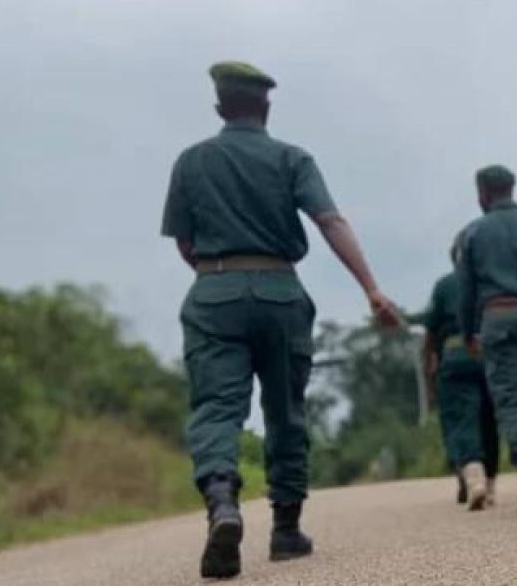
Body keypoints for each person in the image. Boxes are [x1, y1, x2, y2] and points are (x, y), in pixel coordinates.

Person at [161, 61, 400, 579]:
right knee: (285, 411)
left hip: (214, 289)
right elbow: (329, 220)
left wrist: (218, 274)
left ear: (220, 107)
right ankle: (286, 531)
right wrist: (372, 289)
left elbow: (184, 241)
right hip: (280, 291)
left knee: (217, 409)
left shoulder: (191, 161)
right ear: (266, 107)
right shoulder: (292, 158)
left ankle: (222, 501)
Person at [456, 165, 517, 517]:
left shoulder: (474, 232)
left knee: (512, 399)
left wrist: (468, 332)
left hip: (497, 318)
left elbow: (466, 290)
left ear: (482, 193)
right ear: (512, 188)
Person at [422, 235, 501, 512]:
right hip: (489, 354)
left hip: (455, 356)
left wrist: (429, 372)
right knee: (489, 419)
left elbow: (430, 335)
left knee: (460, 418)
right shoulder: (488, 281)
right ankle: (489, 484)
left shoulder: (444, 285)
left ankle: (473, 474)